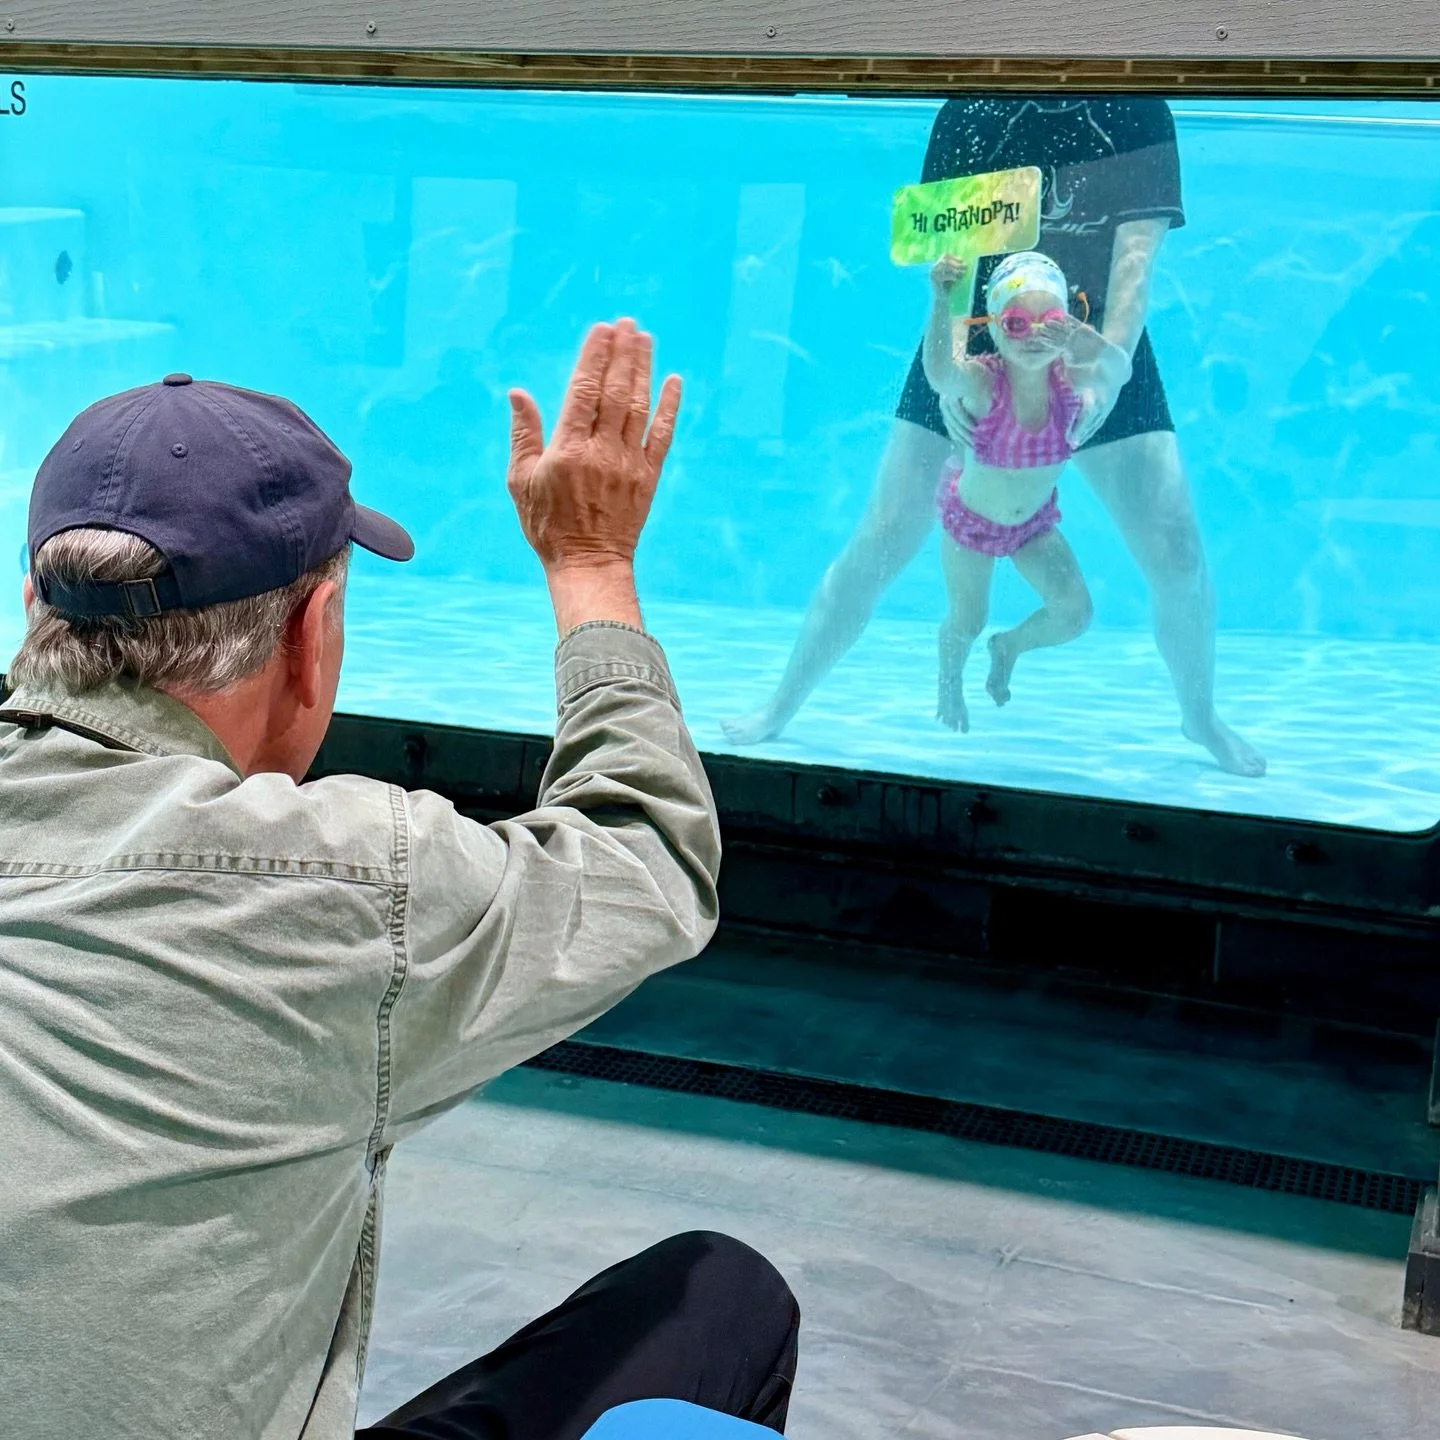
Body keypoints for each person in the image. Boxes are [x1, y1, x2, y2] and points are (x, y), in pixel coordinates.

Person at [0, 322, 800, 1440]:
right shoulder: (343, 888)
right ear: (311, 632)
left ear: (40, 605)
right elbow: (646, 859)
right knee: (720, 1298)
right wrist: (590, 565)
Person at [724, 96, 1266, 778]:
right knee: (884, 531)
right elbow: (952, 262)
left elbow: (1134, 268)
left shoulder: (1135, 105)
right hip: (979, 340)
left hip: (1092, 338)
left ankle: (1201, 716)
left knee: (1177, 547)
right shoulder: (973, 108)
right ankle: (781, 704)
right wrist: (951, 375)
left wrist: (1109, 372)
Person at [924, 249, 1128, 731]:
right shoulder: (984, 382)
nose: (1035, 336)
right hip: (971, 525)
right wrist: (940, 299)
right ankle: (949, 684)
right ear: (994, 326)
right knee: (967, 621)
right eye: (1017, 323)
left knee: (1075, 613)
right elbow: (940, 375)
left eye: (1051, 322)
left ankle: (1009, 646)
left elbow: (1119, 369)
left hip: (1033, 526)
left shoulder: (1070, 383)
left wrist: (1081, 338)